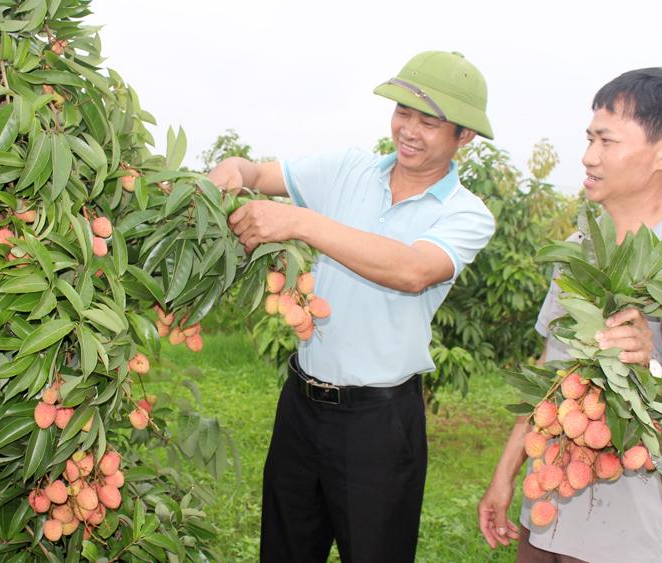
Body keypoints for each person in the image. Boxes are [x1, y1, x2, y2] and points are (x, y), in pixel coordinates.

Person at [208, 51, 497, 562]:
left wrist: (300, 222)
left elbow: (411, 271)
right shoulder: (348, 169)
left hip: (379, 426)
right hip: (301, 405)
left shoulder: (466, 214)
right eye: (402, 113)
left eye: (428, 122)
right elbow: (257, 172)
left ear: (463, 137)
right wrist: (235, 169)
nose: (408, 130)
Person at [477, 67, 662, 563]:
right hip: (546, 508)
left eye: (607, 141)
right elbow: (553, 376)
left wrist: (649, 371)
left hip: (622, 537)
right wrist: (505, 475)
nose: (589, 157)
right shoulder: (577, 251)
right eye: (589, 139)